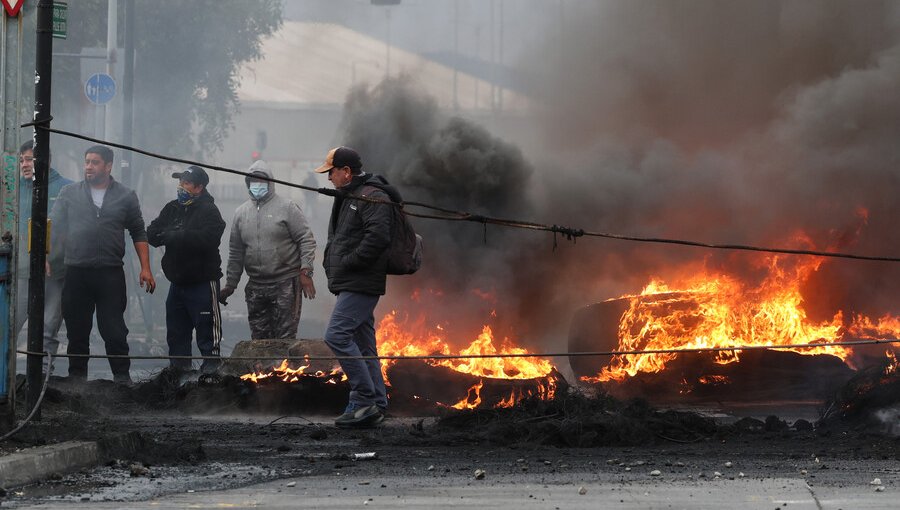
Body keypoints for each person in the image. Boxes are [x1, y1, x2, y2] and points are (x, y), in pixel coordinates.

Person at [50, 145, 155, 383]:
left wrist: (145, 268)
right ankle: (77, 380)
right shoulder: (69, 193)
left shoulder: (126, 196)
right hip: (77, 272)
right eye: (87, 161)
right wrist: (47, 258)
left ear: (108, 166)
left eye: (95, 162)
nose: (89, 167)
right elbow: (54, 229)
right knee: (77, 330)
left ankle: (122, 379)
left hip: (110, 274)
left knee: (114, 330)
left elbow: (138, 232)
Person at [314, 146, 398, 428]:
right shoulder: (350, 196)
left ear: (346, 171)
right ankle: (378, 404)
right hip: (351, 281)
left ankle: (363, 400)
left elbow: (378, 237)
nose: (329, 179)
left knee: (336, 335)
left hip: (361, 282)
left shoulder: (373, 197)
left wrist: (349, 262)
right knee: (364, 344)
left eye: (332, 172)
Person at [220, 160, 316, 339]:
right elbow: (236, 252)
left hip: (285, 283)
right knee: (260, 339)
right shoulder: (241, 213)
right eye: (253, 182)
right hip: (256, 286)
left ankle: (282, 368)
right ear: (247, 184)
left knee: (284, 337)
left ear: (270, 183)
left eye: (261, 181)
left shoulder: (287, 207)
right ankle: (263, 368)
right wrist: (231, 284)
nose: (257, 185)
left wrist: (306, 271)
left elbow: (306, 240)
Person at [147, 166, 226, 374]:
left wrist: (177, 235)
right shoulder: (172, 208)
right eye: (180, 182)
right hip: (177, 284)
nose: (181, 187)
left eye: (186, 183)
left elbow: (209, 238)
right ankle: (178, 374)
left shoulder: (210, 211)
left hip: (202, 283)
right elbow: (152, 233)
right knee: (176, 333)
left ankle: (212, 373)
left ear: (199, 187)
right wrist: (170, 234)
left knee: (206, 331)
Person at [15, 140, 72, 373]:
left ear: (45, 160)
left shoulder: (65, 189)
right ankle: (6, 381)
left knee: (47, 330)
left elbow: (72, 230)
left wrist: (49, 252)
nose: (24, 165)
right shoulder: (14, 189)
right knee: (9, 327)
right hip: (20, 272)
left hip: (55, 273)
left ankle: (39, 384)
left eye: (29, 159)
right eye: (21, 161)